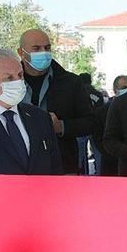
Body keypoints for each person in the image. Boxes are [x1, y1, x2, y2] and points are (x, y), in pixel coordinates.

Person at [18, 28, 95, 174]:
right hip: (22, 165)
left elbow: (91, 122)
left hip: (63, 164)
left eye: (47, 48)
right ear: (21, 53)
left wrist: (61, 126)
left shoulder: (71, 82)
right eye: (36, 49)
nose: (43, 52)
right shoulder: (10, 82)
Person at [0, 49, 63, 176]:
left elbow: (55, 169)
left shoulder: (40, 118)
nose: (18, 82)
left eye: (20, 75)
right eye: (8, 78)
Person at [93, 75, 127, 176]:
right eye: (124, 88)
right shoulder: (102, 112)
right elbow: (98, 138)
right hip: (110, 163)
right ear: (115, 90)